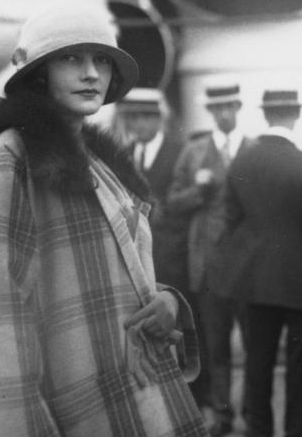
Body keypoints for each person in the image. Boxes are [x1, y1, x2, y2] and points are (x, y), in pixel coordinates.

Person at [0, 8, 207, 436]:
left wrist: (167, 301)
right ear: (39, 73)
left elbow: (107, 273)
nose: (91, 74)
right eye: (72, 59)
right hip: (73, 402)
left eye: (101, 60)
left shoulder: (99, 160)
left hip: (139, 386)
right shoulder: (12, 159)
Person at [215, 89, 302, 437]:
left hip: (254, 282)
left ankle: (259, 432)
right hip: (300, 283)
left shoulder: (242, 161)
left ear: (266, 116)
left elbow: (230, 219)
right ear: (294, 116)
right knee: (299, 372)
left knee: (257, 366)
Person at [166, 83, 253, 437]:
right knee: (216, 347)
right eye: (217, 108)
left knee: (252, 347)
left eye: (229, 106)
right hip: (209, 267)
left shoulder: (255, 150)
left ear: (238, 106)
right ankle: (222, 414)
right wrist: (197, 190)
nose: (224, 114)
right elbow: (173, 202)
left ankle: (252, 411)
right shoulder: (194, 152)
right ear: (211, 112)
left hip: (249, 268)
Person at [117, 87, 210, 405]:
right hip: (138, 260)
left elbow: (188, 203)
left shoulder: (180, 151)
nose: (137, 124)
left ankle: (198, 398)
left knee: (186, 326)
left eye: (144, 117)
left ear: (159, 119)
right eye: (132, 117)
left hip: (176, 255)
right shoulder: (126, 154)